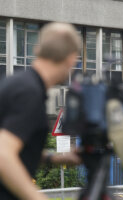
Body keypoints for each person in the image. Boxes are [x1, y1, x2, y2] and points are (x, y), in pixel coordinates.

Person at [0, 22, 82, 200]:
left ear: (38, 49)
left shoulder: (17, 83)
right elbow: (4, 155)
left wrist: (56, 159)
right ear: (71, 59)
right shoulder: (29, 93)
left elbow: (18, 151)